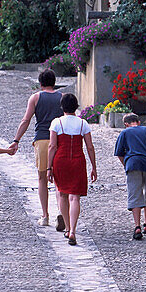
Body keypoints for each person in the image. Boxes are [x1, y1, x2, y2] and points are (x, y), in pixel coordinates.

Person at [11, 69, 64, 226]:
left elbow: (26, 120)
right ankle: (62, 212)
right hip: (59, 140)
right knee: (60, 179)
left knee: (42, 179)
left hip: (42, 140)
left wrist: (16, 140)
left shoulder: (35, 98)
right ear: (54, 82)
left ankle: (45, 215)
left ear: (40, 84)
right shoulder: (62, 97)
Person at [47, 92, 97, 246]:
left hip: (61, 161)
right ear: (76, 106)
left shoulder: (56, 123)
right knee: (74, 197)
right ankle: (73, 231)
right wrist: (94, 167)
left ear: (62, 106)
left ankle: (68, 228)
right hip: (77, 161)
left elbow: (52, 146)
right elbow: (90, 147)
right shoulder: (83, 124)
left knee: (62, 195)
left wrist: (49, 167)